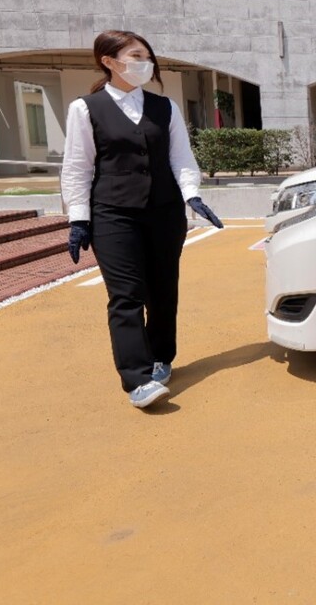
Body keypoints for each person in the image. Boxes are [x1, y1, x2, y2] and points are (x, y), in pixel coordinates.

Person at [61, 30, 224, 408]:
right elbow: (77, 168)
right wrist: (78, 219)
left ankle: (160, 357)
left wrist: (192, 195)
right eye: (135, 55)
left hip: (164, 212)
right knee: (126, 294)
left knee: (163, 291)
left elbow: (181, 158)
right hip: (112, 214)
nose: (144, 63)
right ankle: (136, 379)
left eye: (147, 56)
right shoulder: (85, 109)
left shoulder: (165, 107)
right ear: (109, 60)